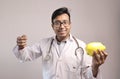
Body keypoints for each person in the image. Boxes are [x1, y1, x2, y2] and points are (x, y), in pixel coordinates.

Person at [13, 7, 108, 79]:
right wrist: (21, 46)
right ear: (52, 26)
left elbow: (88, 76)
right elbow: (25, 56)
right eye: (57, 23)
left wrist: (95, 66)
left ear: (70, 24)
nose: (62, 26)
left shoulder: (81, 46)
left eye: (65, 22)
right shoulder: (44, 43)